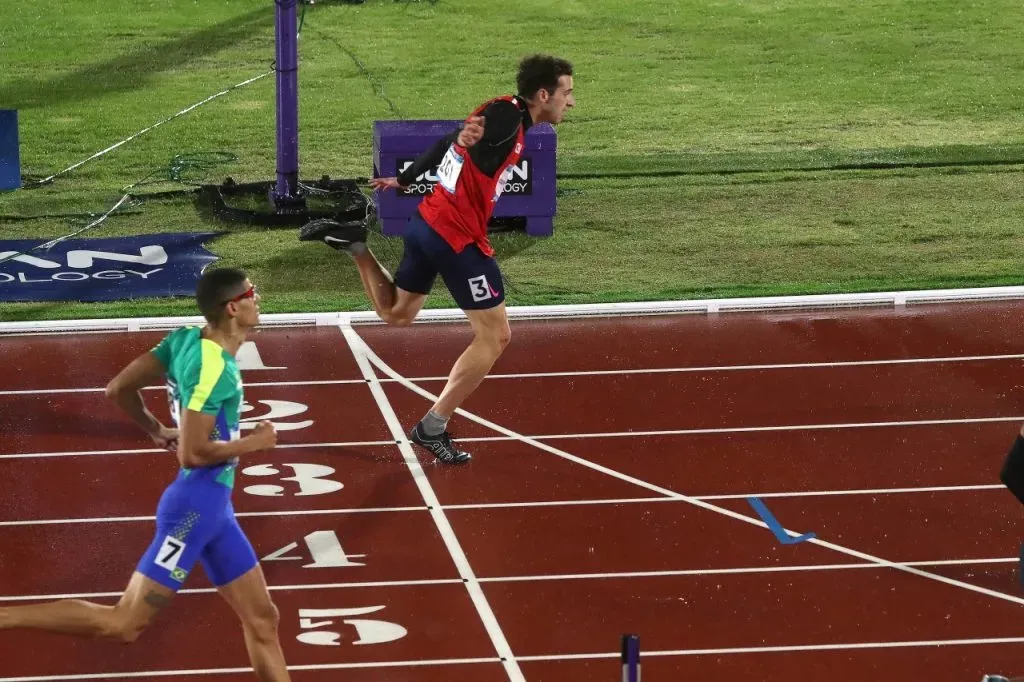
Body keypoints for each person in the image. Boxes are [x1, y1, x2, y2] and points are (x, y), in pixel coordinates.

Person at [0, 267, 290, 682]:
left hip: (215, 510)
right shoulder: (215, 369)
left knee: (263, 618)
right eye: (252, 293)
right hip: (195, 508)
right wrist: (254, 443)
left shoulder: (185, 339)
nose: (257, 299)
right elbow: (193, 454)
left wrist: (156, 429)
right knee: (123, 624)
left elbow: (117, 389)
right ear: (233, 307)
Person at [300, 53, 575, 465]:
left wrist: (406, 179)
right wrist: (471, 144)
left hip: (427, 222)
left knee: (396, 314)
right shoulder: (506, 120)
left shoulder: (501, 108)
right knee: (496, 336)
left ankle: (356, 245)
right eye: (566, 94)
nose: (570, 102)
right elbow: (470, 143)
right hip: (457, 239)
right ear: (542, 94)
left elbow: (453, 139)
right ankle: (433, 425)